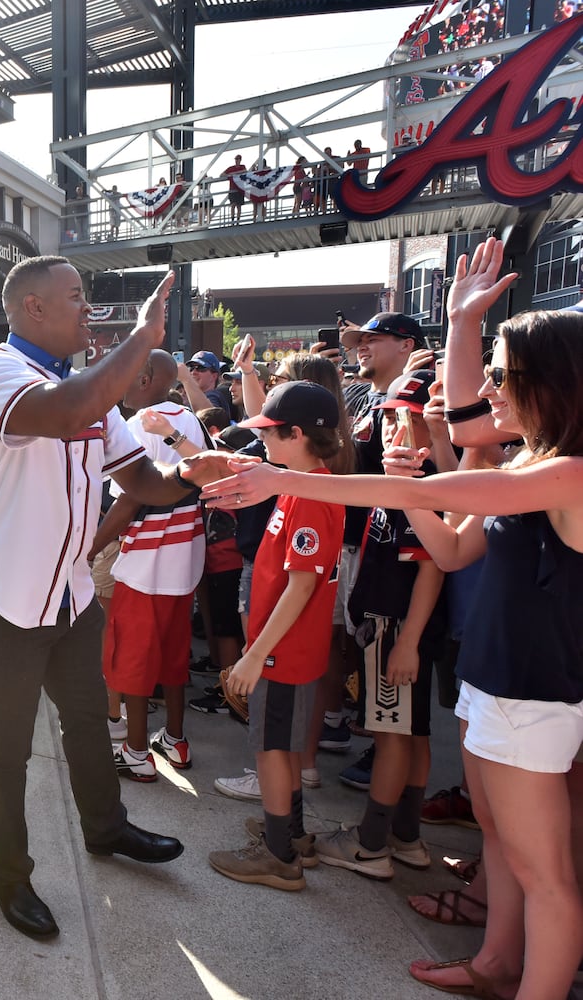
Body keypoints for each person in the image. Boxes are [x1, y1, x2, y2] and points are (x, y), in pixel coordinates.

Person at [204, 244, 583, 999]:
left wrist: (284, 476)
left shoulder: (567, 473)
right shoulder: (522, 472)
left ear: (552, 384)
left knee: (547, 875)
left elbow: (464, 443)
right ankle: (494, 963)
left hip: (531, 698)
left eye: (506, 377)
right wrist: (460, 323)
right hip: (495, 686)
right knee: (504, 846)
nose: (488, 393)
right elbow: (447, 542)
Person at [0, 256, 229, 940]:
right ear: (32, 308)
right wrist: (141, 336)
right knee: (6, 750)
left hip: (69, 594)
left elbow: (146, 484)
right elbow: (67, 412)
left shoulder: (82, 389)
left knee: (85, 723)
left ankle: (106, 831)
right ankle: (8, 878)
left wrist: (198, 471)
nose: (88, 311)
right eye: (75, 298)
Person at [206, 381, 346, 891]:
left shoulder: (311, 493)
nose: (263, 439)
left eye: (270, 432)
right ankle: (291, 831)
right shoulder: (301, 480)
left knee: (271, 748)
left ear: (298, 433)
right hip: (286, 648)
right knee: (281, 744)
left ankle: (278, 854)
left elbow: (302, 585)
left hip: (282, 652)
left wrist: (254, 655)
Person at [313, 369, 445, 881]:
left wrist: (408, 641)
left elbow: (431, 568)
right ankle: (406, 836)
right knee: (409, 734)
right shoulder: (398, 481)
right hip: (389, 625)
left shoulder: (422, 488)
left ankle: (371, 845)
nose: (393, 431)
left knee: (394, 736)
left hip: (397, 628)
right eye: (389, 418)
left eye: (407, 420)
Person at [93, 350, 206, 780]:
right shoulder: (188, 418)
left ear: (142, 378)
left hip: (147, 561)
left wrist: (91, 546)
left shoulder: (140, 423)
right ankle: (174, 740)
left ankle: (136, 750)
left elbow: (131, 496)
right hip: (185, 558)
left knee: (132, 659)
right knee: (175, 656)